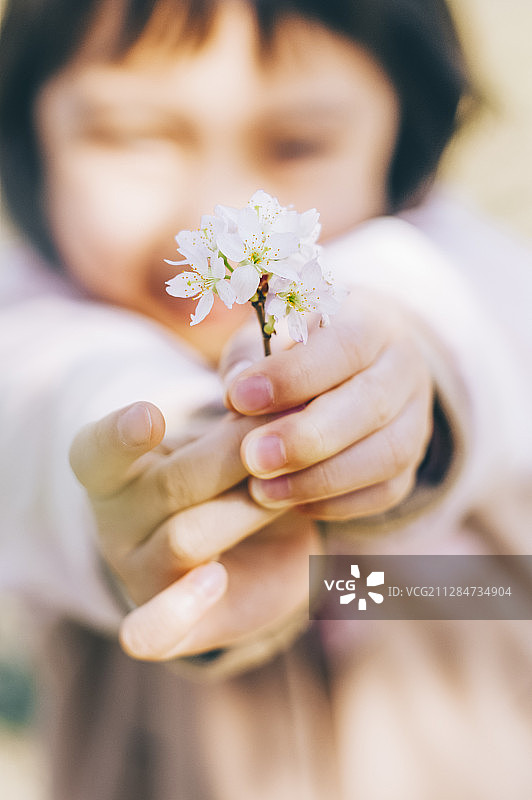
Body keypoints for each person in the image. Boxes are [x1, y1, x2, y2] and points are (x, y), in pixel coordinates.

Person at [1, 0, 531, 798]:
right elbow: (45, 405)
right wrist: (172, 450)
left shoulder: (453, 267)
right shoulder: (33, 322)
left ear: (406, 136)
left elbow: (476, 318)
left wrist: (398, 374)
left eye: (298, 144)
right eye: (133, 136)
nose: (215, 209)